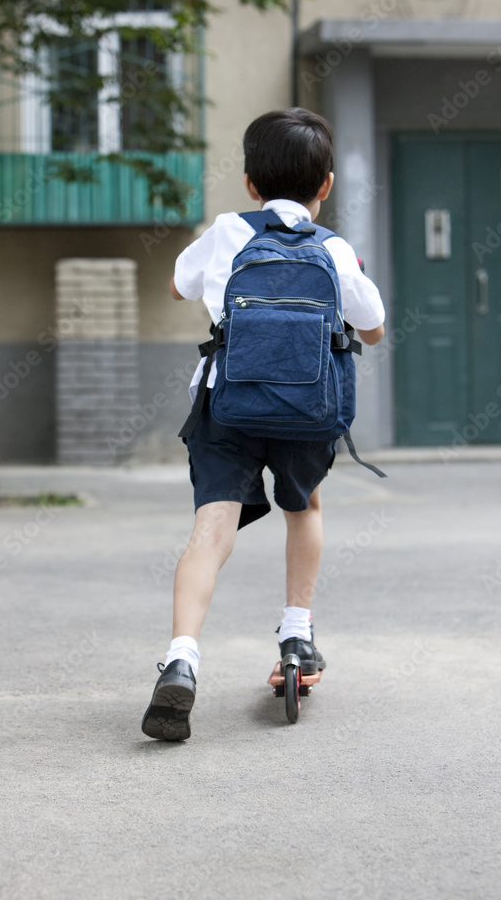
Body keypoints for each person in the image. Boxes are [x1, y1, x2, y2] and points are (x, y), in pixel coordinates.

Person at [142, 108, 385, 741]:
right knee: (304, 508)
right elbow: (374, 327)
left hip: (228, 405)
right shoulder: (332, 248)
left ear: (250, 182)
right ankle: (297, 637)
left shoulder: (227, 230)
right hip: (307, 409)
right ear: (325, 185)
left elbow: (176, 287)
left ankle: (181, 658)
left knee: (211, 525)